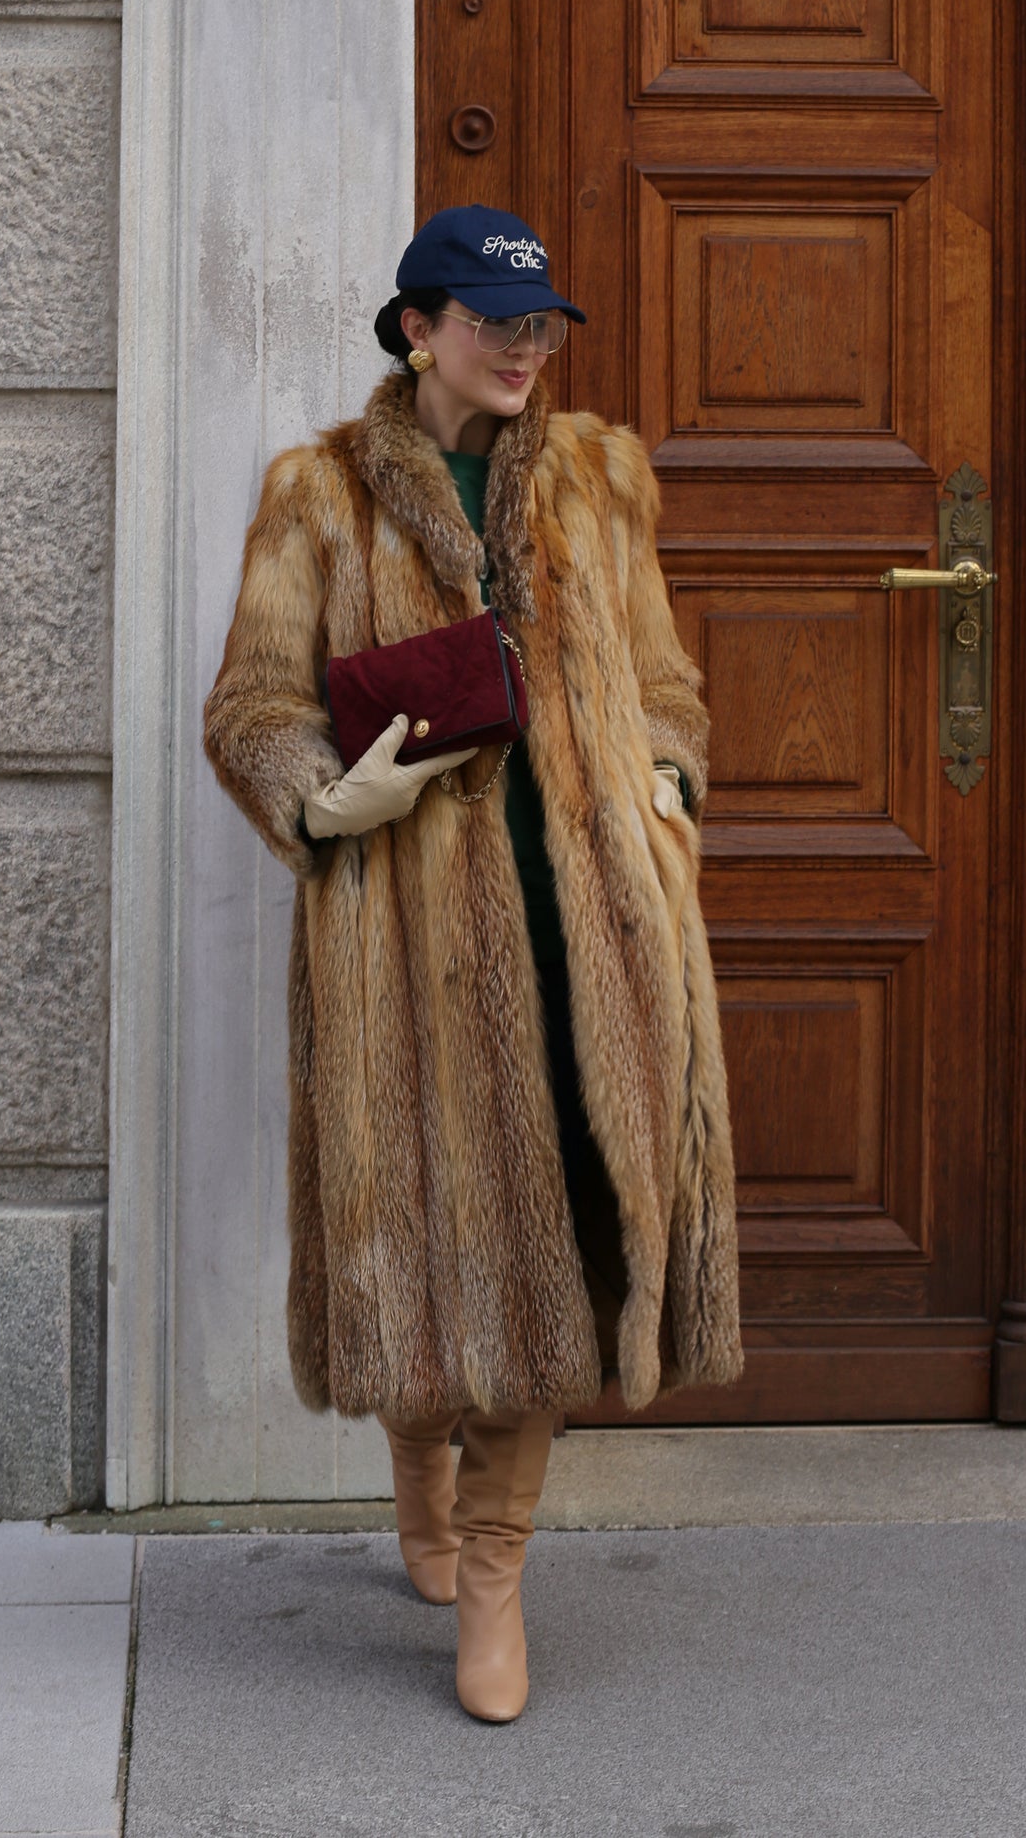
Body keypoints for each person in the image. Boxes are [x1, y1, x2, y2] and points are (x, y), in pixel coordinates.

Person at [203, 203, 743, 1722]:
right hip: (406, 952)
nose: (522, 345)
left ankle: (494, 1570)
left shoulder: (595, 482)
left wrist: (664, 789)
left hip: (593, 932)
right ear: (414, 328)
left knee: (565, 1239)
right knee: (427, 1260)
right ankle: (419, 1479)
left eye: (539, 324)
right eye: (492, 319)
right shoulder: (316, 496)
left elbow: (663, 683)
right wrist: (323, 795)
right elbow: (249, 707)